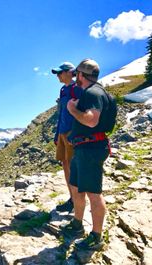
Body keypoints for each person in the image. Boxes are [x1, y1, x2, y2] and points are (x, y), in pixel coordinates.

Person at [60, 59, 114, 251]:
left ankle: (96, 236)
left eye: (77, 75)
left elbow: (91, 121)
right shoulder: (98, 92)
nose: (75, 78)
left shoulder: (93, 93)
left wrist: (72, 109)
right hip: (84, 148)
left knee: (93, 193)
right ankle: (77, 224)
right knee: (76, 187)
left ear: (82, 75)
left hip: (91, 148)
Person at [51, 62, 82, 213]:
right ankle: (72, 198)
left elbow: (80, 112)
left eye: (60, 72)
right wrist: (57, 134)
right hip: (63, 132)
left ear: (70, 72)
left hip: (71, 133)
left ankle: (77, 201)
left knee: (72, 165)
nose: (58, 76)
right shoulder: (63, 89)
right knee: (65, 164)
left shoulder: (77, 89)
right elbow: (62, 112)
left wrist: (75, 133)